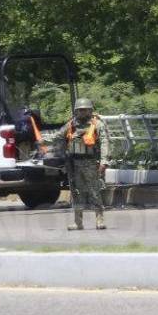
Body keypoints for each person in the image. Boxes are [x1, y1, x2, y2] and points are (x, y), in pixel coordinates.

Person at [44, 98, 110, 230]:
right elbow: (58, 136)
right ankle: (78, 222)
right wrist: (43, 141)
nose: (82, 112)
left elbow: (104, 142)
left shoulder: (97, 125)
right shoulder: (71, 125)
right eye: (80, 110)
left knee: (95, 191)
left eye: (85, 110)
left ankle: (99, 219)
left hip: (91, 163)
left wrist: (104, 161)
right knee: (76, 193)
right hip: (74, 164)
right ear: (76, 111)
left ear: (90, 110)